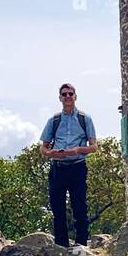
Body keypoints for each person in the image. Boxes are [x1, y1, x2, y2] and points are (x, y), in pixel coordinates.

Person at [39, 82, 97, 247]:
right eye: (64, 94)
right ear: (60, 98)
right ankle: (61, 245)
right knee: (58, 209)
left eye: (70, 94)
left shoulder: (85, 119)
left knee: (79, 206)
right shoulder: (54, 120)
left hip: (77, 166)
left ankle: (81, 244)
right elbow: (43, 147)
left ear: (75, 97)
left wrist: (77, 150)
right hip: (58, 167)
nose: (68, 97)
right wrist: (51, 153)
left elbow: (94, 147)